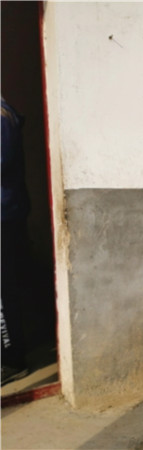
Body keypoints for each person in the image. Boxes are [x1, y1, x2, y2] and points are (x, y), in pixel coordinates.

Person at [1, 97, 31, 386]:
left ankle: (12, 360)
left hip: (4, 216)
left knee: (3, 291)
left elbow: (2, 161)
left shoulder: (1, 117)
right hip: (7, 212)